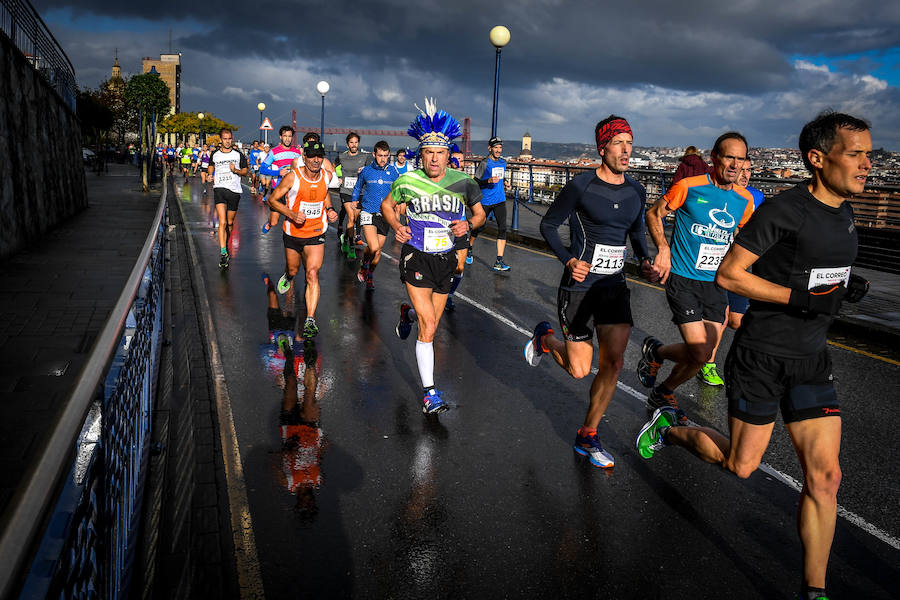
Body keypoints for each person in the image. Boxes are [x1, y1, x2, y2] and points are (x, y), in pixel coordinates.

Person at [636, 110, 872, 600]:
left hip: (811, 360)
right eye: (856, 154)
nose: (867, 164)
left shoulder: (846, 211)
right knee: (742, 466)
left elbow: (809, 271)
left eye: (869, 154)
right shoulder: (781, 210)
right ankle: (670, 429)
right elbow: (730, 276)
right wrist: (800, 297)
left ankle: (814, 590)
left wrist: (846, 284)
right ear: (817, 158)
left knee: (826, 479)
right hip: (761, 358)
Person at [524, 115, 656, 469]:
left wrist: (645, 259)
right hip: (579, 287)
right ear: (603, 148)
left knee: (612, 364)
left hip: (614, 286)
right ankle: (545, 340)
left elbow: (638, 233)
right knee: (580, 370)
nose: (627, 150)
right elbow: (548, 224)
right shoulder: (581, 186)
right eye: (619, 143)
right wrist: (568, 260)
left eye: (630, 142)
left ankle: (588, 434)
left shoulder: (637, 191)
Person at [637, 132, 755, 424]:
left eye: (741, 159)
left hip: (716, 285)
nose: (735, 165)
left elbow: (743, 240)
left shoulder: (745, 200)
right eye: (729, 157)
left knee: (702, 356)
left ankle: (660, 369)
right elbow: (653, 214)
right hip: (683, 278)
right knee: (700, 350)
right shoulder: (689, 186)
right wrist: (663, 249)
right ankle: (661, 377)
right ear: (714, 157)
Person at [382, 98, 486, 414]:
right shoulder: (406, 181)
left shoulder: (464, 183)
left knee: (431, 324)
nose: (435, 159)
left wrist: (467, 223)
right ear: (421, 155)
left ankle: (407, 314)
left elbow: (480, 215)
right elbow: (387, 205)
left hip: (446, 259)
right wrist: (397, 226)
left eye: (440, 153)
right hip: (416, 255)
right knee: (429, 323)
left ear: (448, 155)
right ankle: (430, 393)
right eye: (429, 153)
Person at [699, 158, 769, 385]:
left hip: (741, 266)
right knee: (720, 315)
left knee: (737, 321)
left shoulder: (756, 197)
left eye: (749, 170)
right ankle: (708, 365)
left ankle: (743, 363)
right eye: (742, 169)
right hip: (716, 264)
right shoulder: (716, 193)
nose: (745, 174)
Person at [266, 139, 340, 338]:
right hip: (293, 232)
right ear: (304, 157)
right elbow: (272, 200)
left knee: (312, 274)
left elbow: (324, 195)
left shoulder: (327, 176)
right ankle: (288, 276)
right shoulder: (293, 177)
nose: (316, 160)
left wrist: (330, 209)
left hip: (316, 232)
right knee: (293, 269)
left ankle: (310, 319)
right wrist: (290, 214)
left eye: (319, 156)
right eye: (312, 156)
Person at [351, 140, 400, 290]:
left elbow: (398, 192)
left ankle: (370, 275)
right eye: (380, 155)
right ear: (374, 154)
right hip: (368, 211)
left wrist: (398, 209)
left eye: (386, 156)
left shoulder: (393, 172)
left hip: (385, 215)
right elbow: (358, 186)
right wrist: (354, 200)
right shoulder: (366, 171)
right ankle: (364, 265)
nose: (383, 159)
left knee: (378, 251)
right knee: (373, 246)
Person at [469, 137, 512, 271]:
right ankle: (469, 248)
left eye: (500, 147)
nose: (498, 150)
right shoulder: (484, 163)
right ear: (490, 148)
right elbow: (475, 182)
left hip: (500, 199)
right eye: (496, 147)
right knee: (479, 227)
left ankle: (499, 261)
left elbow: (501, 177)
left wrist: (505, 183)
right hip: (486, 201)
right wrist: (487, 181)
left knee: (503, 228)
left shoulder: (503, 162)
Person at [208, 129, 249, 269]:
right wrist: (210, 175)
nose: (227, 141)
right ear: (220, 139)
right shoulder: (215, 154)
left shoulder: (238, 155)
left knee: (230, 223)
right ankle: (223, 251)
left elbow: (245, 171)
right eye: (224, 138)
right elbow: (210, 166)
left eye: (229, 138)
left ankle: (225, 243)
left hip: (234, 191)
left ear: (232, 139)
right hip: (219, 189)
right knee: (222, 221)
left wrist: (235, 170)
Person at [260, 126, 303, 233]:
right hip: (278, 189)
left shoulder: (297, 153)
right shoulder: (274, 152)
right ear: (281, 137)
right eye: (285, 136)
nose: (287, 139)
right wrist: (278, 172)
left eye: (289, 136)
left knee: (295, 219)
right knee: (274, 222)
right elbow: (262, 169)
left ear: (292, 137)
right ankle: (269, 223)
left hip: (293, 190)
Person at [334, 132, 369, 259]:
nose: (354, 145)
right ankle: (351, 246)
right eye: (351, 142)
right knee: (351, 216)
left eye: (356, 142)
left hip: (359, 191)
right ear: (347, 144)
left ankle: (346, 236)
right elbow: (334, 167)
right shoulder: (341, 157)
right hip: (346, 191)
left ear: (358, 143)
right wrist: (338, 176)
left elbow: (369, 171)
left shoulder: (365, 157)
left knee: (355, 216)